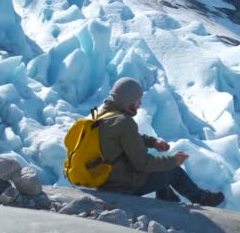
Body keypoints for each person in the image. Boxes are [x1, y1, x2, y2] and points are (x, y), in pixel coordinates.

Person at [96, 77, 225, 207]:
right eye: (136, 100)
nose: (139, 103)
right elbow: (144, 163)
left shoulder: (103, 117)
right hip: (121, 187)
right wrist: (173, 161)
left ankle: (168, 201)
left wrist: (153, 142)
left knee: (159, 168)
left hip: (105, 181)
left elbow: (127, 138)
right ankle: (202, 199)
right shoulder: (124, 122)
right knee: (172, 170)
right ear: (127, 99)